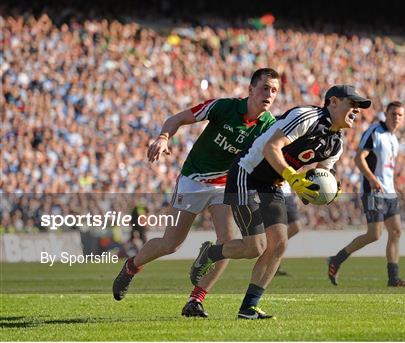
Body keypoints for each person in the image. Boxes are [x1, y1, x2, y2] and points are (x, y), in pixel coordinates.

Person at [189, 85, 371, 319]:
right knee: (254, 247)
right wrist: (293, 178)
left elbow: (321, 175)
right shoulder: (306, 116)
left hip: (273, 183)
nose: (356, 111)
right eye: (352, 104)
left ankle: (248, 308)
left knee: (279, 244)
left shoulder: (336, 144)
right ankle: (211, 253)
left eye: (359, 107)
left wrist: (322, 191)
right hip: (247, 173)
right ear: (333, 102)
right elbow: (270, 147)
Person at [112, 68, 281, 319]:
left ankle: (196, 300)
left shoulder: (269, 126)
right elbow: (177, 118)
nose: (269, 94)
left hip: (225, 185)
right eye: (265, 88)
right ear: (251, 89)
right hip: (194, 179)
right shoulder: (223, 108)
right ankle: (131, 267)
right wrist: (163, 137)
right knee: (171, 244)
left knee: (226, 243)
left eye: (274, 90)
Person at [327, 101, 405, 287]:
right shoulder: (375, 132)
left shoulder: (394, 139)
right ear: (386, 114)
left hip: (389, 192)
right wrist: (373, 180)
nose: (396, 118)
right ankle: (337, 259)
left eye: (400, 115)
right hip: (373, 191)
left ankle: (393, 278)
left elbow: (388, 169)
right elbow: (359, 158)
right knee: (374, 234)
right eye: (393, 114)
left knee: (396, 231)